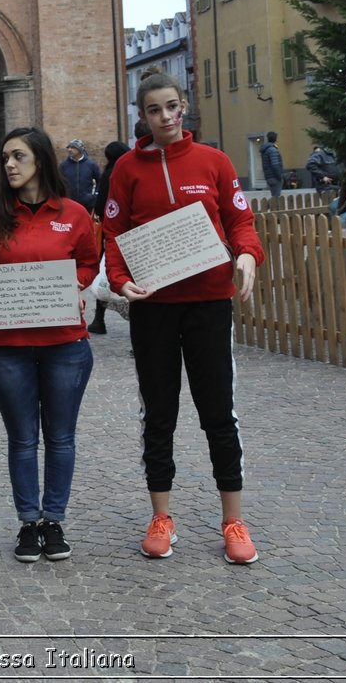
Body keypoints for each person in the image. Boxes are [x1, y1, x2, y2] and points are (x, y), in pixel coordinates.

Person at [105, 71, 265, 565]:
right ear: (142, 116)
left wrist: (246, 255)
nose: (165, 117)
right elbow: (112, 233)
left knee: (219, 412)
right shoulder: (127, 169)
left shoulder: (213, 161)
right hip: (153, 307)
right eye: (154, 110)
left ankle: (233, 521)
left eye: (171, 106)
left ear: (184, 106)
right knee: (159, 413)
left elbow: (240, 219)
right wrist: (118, 281)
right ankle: (161, 516)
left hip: (208, 304)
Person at [0, 127, 101, 563]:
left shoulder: (75, 214)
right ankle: (28, 522)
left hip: (65, 343)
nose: (9, 164)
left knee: (61, 438)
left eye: (18, 156)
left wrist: (71, 285)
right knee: (22, 439)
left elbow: (88, 261)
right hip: (8, 345)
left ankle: (54, 521)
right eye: (5, 157)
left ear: (39, 160)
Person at [87, 141, 131, 335]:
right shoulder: (130, 170)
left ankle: (99, 319)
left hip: (110, 232)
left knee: (107, 271)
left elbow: (101, 204)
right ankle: (138, 330)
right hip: (133, 232)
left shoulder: (108, 174)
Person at [59, 139, 100, 213]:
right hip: (68, 204)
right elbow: (59, 182)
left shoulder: (91, 165)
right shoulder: (63, 166)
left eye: (73, 147)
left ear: (80, 149)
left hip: (87, 205)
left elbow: (99, 181)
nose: (69, 150)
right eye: (68, 147)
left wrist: (94, 195)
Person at [259, 133, 285, 205]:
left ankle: (266, 209)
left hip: (269, 176)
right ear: (276, 139)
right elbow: (275, 165)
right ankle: (266, 210)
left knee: (274, 196)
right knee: (276, 198)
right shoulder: (272, 150)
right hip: (275, 177)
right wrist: (280, 176)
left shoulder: (265, 150)